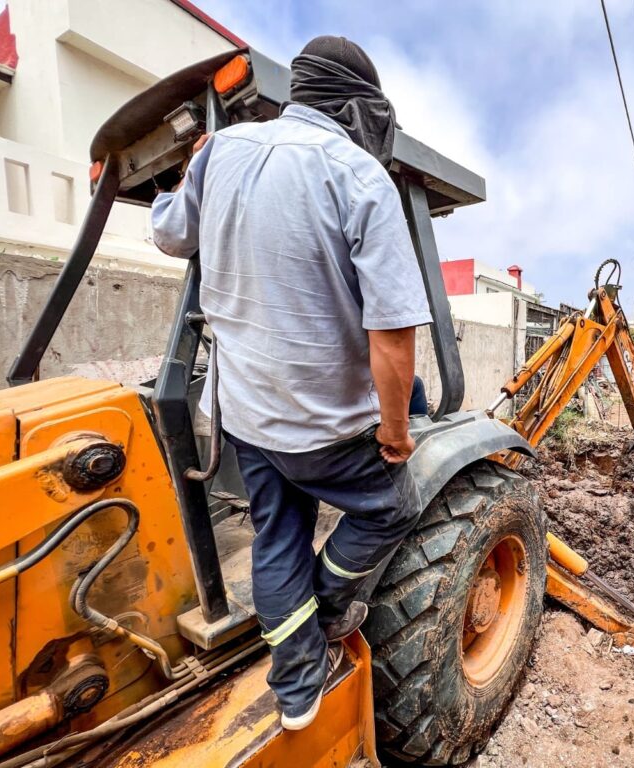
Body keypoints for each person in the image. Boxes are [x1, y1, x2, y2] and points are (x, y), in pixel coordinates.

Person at [150, 36, 430, 731]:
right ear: (360, 107)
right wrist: (395, 434)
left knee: (277, 537)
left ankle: (297, 690)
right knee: (392, 505)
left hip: (244, 414)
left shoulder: (220, 152)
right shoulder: (362, 177)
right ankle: (332, 607)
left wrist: (192, 178)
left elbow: (169, 234)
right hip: (323, 427)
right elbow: (393, 336)